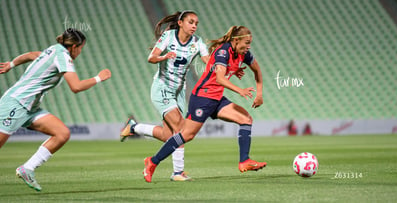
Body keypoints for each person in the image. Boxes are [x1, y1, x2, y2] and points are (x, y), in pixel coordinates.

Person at [142, 25, 267, 183]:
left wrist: (260, 94)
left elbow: (257, 70)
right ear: (236, 41)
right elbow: (220, 78)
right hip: (203, 97)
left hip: (216, 99)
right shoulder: (223, 51)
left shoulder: (243, 54)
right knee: (186, 135)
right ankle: (152, 162)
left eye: (250, 43)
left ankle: (244, 161)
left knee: (246, 119)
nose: (248, 47)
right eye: (246, 43)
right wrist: (240, 90)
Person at [0, 29, 111, 191]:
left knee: (62, 133)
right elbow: (76, 87)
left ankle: (27, 169)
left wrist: (11, 64)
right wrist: (99, 78)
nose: (80, 52)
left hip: (31, 108)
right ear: (74, 47)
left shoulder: (53, 49)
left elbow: (32, 54)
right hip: (16, 104)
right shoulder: (64, 56)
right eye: (81, 48)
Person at [120, 11, 209, 181]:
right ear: (181, 22)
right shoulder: (168, 36)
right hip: (162, 88)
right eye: (191, 22)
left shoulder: (197, 43)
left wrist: (221, 66)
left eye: (196, 23)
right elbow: (151, 57)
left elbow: (208, 61)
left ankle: (133, 127)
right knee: (181, 129)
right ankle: (177, 173)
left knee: (168, 136)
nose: (194, 26)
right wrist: (164, 56)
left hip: (179, 92)